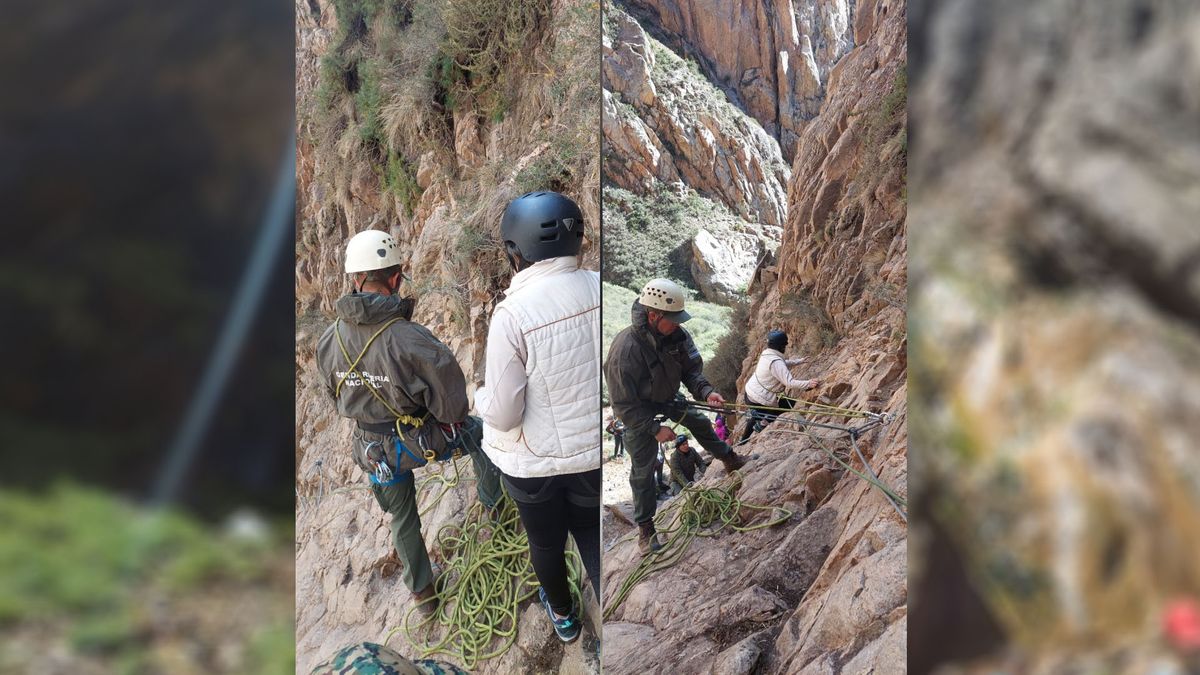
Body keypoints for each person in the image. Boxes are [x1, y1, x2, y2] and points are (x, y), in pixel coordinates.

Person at [316, 229, 502, 616]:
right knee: (483, 435)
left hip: (373, 450)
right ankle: (496, 509)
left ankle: (423, 596)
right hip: (421, 439)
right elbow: (453, 407)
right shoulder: (408, 337)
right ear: (396, 278)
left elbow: (334, 398)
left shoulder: (328, 340)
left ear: (354, 280)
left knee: (402, 515)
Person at [475, 191, 601, 644]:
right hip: (592, 457)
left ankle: (564, 616)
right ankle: (608, 598)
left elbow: (505, 413)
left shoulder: (513, 314)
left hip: (535, 467)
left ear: (516, 251)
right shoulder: (601, 288)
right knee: (591, 530)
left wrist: (479, 398)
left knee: (546, 544)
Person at [604, 278, 748, 555]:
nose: (678, 324)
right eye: (673, 319)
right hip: (637, 411)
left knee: (699, 422)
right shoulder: (625, 349)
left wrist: (706, 392)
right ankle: (646, 531)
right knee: (643, 469)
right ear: (653, 315)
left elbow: (690, 370)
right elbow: (622, 404)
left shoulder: (676, 335)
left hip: (667, 396)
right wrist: (654, 429)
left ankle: (730, 459)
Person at [738, 329, 820, 444]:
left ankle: (743, 440)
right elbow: (789, 382)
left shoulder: (767, 354)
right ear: (781, 346)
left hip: (750, 394)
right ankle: (763, 424)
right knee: (788, 404)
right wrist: (808, 383)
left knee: (758, 413)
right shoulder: (775, 361)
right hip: (759, 398)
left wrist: (799, 361)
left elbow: (781, 364)